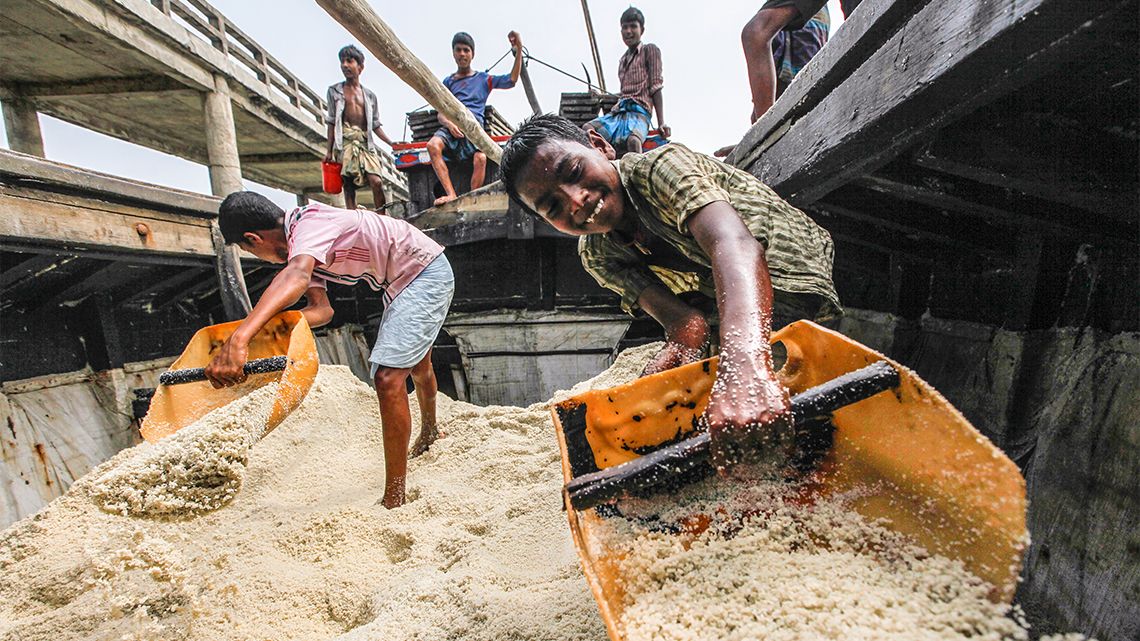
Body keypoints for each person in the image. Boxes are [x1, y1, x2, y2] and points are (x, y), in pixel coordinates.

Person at [499, 114, 841, 471]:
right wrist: (677, 354)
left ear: (599, 146)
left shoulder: (659, 168)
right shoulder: (596, 254)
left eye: (572, 172)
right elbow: (686, 323)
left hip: (801, 279)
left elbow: (735, 245)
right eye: (553, 206)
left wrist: (745, 368)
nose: (575, 201)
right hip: (740, 313)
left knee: (761, 394)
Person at [206, 191, 454, 509]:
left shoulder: (309, 224)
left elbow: (295, 276)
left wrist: (239, 339)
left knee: (388, 378)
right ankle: (431, 431)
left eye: (248, 250)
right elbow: (322, 311)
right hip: (402, 281)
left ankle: (395, 497)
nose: (259, 257)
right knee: (417, 364)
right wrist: (264, 331)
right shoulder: (304, 250)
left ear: (254, 239)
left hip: (424, 273)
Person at [427, 31, 524, 206]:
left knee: (481, 158)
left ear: (472, 54)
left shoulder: (483, 79)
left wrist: (519, 50)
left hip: (474, 128)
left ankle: (471, 200)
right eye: (459, 50)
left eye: (466, 50)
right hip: (452, 127)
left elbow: (512, 80)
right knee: (432, 145)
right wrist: (449, 124)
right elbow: (440, 112)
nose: (462, 54)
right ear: (453, 53)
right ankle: (451, 194)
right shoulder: (448, 82)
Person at [742, 0, 863, 123]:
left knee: (801, 93)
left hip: (802, 31)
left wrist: (763, 129)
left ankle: (766, 129)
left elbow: (756, 34)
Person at [584, 7, 670, 156]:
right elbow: (625, 93)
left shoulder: (649, 50)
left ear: (641, 30)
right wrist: (599, 96)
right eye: (625, 27)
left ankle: (635, 177)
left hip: (639, 114)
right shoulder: (622, 61)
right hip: (620, 113)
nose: (628, 31)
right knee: (587, 129)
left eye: (633, 26)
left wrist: (661, 122)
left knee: (633, 141)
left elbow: (656, 87)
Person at [325, 45, 395, 211]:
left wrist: (392, 143)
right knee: (348, 185)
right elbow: (332, 121)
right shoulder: (335, 91)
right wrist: (328, 151)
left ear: (360, 67)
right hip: (346, 141)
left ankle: (382, 217)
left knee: (376, 181)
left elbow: (376, 125)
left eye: (349, 61)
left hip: (365, 143)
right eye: (342, 62)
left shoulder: (369, 96)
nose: (345, 65)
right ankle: (352, 217)